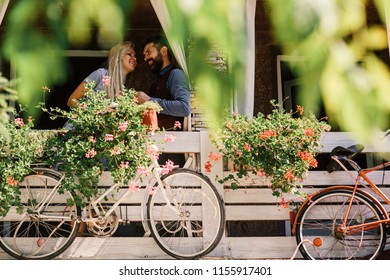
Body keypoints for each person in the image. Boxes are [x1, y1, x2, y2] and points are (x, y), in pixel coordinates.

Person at [136, 34, 191, 167]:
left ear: (164, 51)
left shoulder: (175, 74)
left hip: (170, 154)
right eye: (144, 55)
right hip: (159, 150)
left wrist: (149, 101)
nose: (145, 58)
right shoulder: (159, 79)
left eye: (149, 52)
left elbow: (184, 107)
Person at [67, 41, 137, 107]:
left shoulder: (125, 89)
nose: (135, 58)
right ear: (118, 57)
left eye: (134, 55)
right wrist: (92, 112)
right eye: (129, 54)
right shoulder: (100, 74)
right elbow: (72, 100)